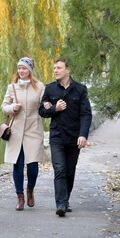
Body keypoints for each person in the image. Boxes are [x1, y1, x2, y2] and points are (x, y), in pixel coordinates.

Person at [39, 58, 92, 217]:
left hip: (74, 138)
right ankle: (61, 204)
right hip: (57, 137)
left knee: (69, 171)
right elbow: (42, 112)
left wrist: (83, 135)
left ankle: (65, 199)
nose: (55, 70)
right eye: (54, 68)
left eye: (59, 68)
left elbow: (86, 114)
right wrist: (55, 108)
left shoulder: (80, 90)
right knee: (60, 170)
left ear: (67, 70)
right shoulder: (49, 90)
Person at [1, 57, 45, 211]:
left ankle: (30, 189)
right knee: (17, 165)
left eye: (24, 68)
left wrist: (49, 106)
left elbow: (44, 106)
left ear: (30, 70)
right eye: (19, 68)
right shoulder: (12, 87)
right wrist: (12, 107)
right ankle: (20, 197)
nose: (21, 71)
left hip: (33, 129)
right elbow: (4, 106)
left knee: (33, 164)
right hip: (16, 131)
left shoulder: (39, 87)